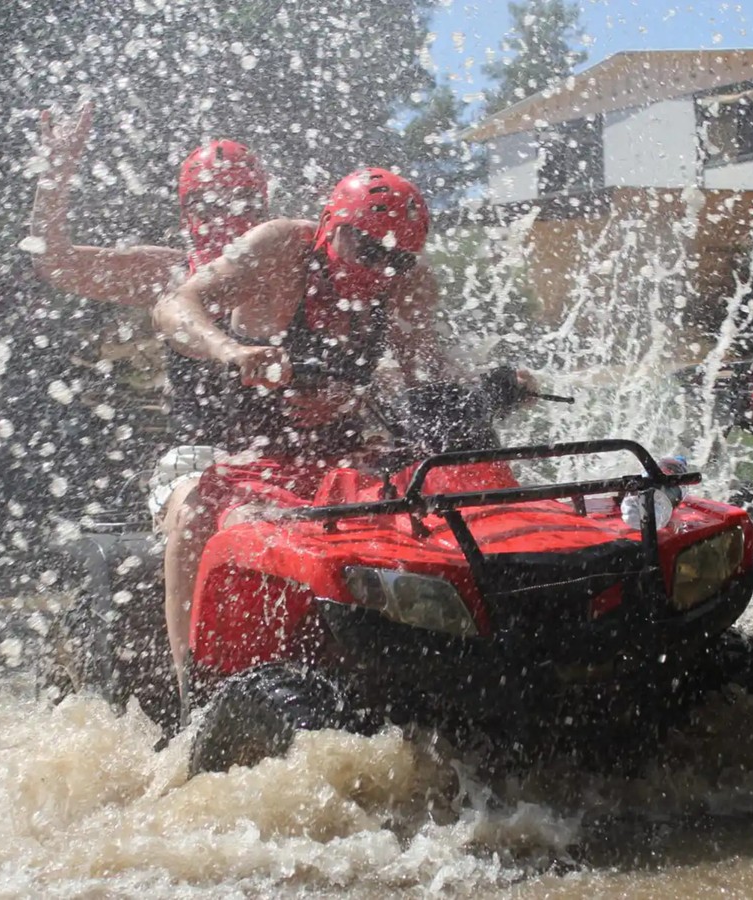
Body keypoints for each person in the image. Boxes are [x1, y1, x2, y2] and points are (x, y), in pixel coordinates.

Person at [150, 167, 460, 698]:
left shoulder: (408, 285)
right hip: (235, 449)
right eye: (364, 246)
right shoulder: (277, 247)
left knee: (438, 495)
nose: (377, 268)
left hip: (336, 455)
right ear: (329, 224)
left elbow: (429, 377)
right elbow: (172, 306)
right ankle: (192, 691)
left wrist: (493, 388)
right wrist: (233, 352)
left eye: (395, 257)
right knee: (199, 512)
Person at [28, 101, 271, 307]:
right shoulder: (171, 272)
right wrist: (56, 172)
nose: (225, 218)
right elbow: (56, 262)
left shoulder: (287, 263)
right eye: (209, 205)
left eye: (242, 202)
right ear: (187, 216)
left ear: (264, 211)